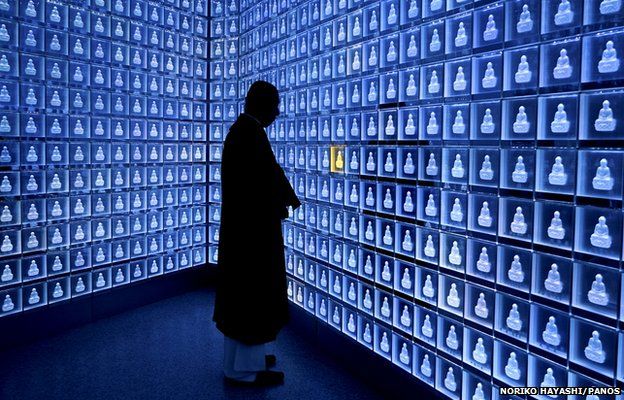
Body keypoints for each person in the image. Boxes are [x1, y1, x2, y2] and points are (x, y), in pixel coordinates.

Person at [213, 80, 301, 387]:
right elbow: (263, 180)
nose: (277, 113)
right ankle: (244, 371)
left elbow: (268, 172)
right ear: (261, 105)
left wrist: (286, 196)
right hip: (251, 235)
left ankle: (243, 361)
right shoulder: (249, 136)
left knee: (243, 301)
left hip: (244, 232)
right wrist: (284, 200)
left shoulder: (245, 132)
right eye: (274, 105)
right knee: (251, 299)